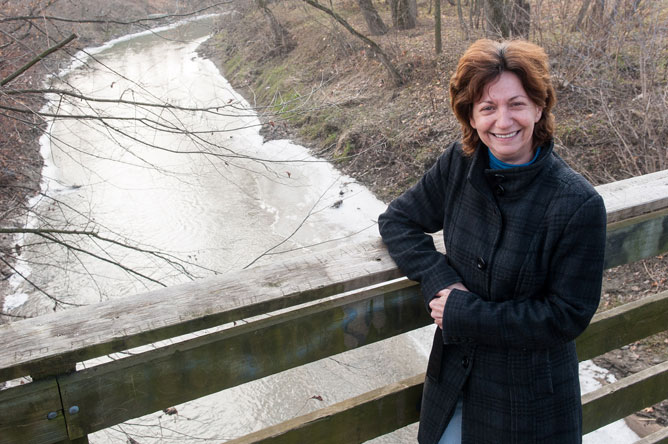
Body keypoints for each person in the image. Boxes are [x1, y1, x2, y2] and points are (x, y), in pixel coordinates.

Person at [378, 39, 607, 443]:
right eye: (487, 107)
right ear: (470, 115)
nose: (503, 121)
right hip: (454, 381)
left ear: (539, 107)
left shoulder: (577, 203)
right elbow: (399, 220)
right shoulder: (461, 163)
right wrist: (441, 283)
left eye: (516, 104)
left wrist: (466, 314)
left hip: (528, 403)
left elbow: (567, 315)